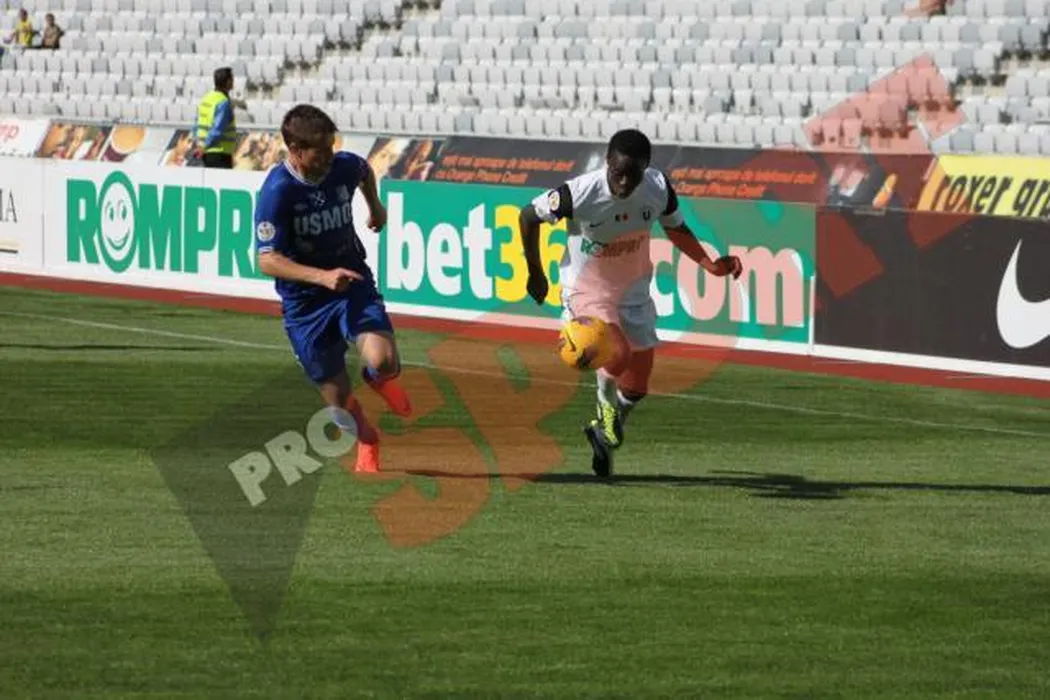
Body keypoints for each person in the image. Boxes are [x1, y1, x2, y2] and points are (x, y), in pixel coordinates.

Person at [518, 129, 743, 477]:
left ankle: (603, 432)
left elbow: (676, 228)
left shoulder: (658, 187)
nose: (624, 182)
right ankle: (604, 408)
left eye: (633, 174)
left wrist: (710, 265)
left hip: (633, 292)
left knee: (637, 386)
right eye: (618, 172)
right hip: (586, 290)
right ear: (608, 162)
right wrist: (535, 272)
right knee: (617, 353)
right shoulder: (579, 192)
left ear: (646, 167)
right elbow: (528, 216)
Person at [254, 104, 412, 473]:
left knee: (384, 360)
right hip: (305, 305)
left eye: (331, 147)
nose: (330, 156)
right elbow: (267, 260)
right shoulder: (277, 191)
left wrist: (375, 207)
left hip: (351, 282)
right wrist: (321, 277)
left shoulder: (342, 166)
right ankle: (367, 439)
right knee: (339, 406)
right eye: (321, 151)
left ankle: (378, 378)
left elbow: (363, 170)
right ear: (295, 150)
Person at [193, 67, 240, 168]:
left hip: (205, 151)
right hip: (220, 151)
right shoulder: (223, 102)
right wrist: (205, 146)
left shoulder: (206, 99)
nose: (233, 82)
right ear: (228, 82)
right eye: (232, 79)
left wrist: (200, 145)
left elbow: (197, 124)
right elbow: (217, 129)